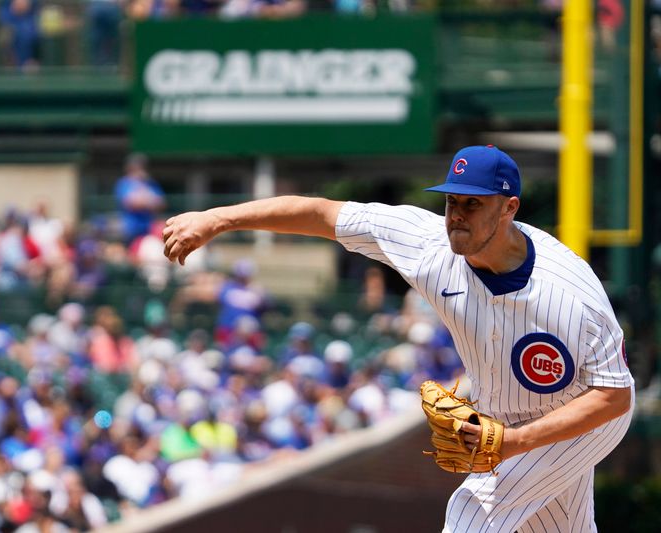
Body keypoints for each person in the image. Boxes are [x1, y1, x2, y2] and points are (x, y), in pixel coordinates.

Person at [162, 145, 634, 532]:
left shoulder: (569, 294)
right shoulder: (429, 247)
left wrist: (516, 441)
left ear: (509, 208)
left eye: (474, 203)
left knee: (475, 511)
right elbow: (325, 214)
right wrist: (219, 218)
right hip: (505, 419)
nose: (457, 215)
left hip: (585, 417)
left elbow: (615, 396)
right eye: (452, 201)